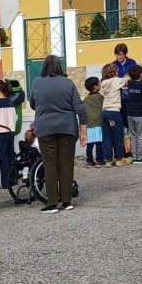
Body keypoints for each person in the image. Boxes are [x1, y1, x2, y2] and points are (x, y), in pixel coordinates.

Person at [28, 55, 87, 213]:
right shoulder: (68, 83)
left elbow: (32, 103)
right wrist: (83, 132)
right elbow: (80, 109)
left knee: (50, 165)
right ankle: (67, 201)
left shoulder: (37, 82)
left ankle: (52, 203)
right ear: (59, 67)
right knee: (66, 164)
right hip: (67, 128)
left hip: (45, 129)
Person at [0, 79, 17, 189]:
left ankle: (3, 181)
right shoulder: (10, 102)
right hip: (11, 132)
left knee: (2, 157)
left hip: (0, 133)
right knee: (10, 156)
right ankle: (11, 179)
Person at [100, 63, 128, 167]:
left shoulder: (103, 83)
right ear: (114, 72)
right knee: (118, 136)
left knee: (107, 137)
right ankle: (120, 159)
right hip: (114, 112)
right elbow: (126, 80)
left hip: (104, 112)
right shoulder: (116, 80)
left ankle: (108, 160)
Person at [125, 65, 142, 164]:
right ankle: (140, 156)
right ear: (141, 74)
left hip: (130, 114)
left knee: (133, 136)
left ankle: (134, 155)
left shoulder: (129, 84)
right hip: (140, 114)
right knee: (141, 136)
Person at [83, 77, 105, 168]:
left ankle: (89, 160)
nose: (100, 85)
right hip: (98, 123)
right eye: (99, 84)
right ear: (96, 86)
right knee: (99, 143)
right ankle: (99, 160)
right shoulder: (100, 97)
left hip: (89, 124)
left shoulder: (85, 99)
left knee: (90, 144)